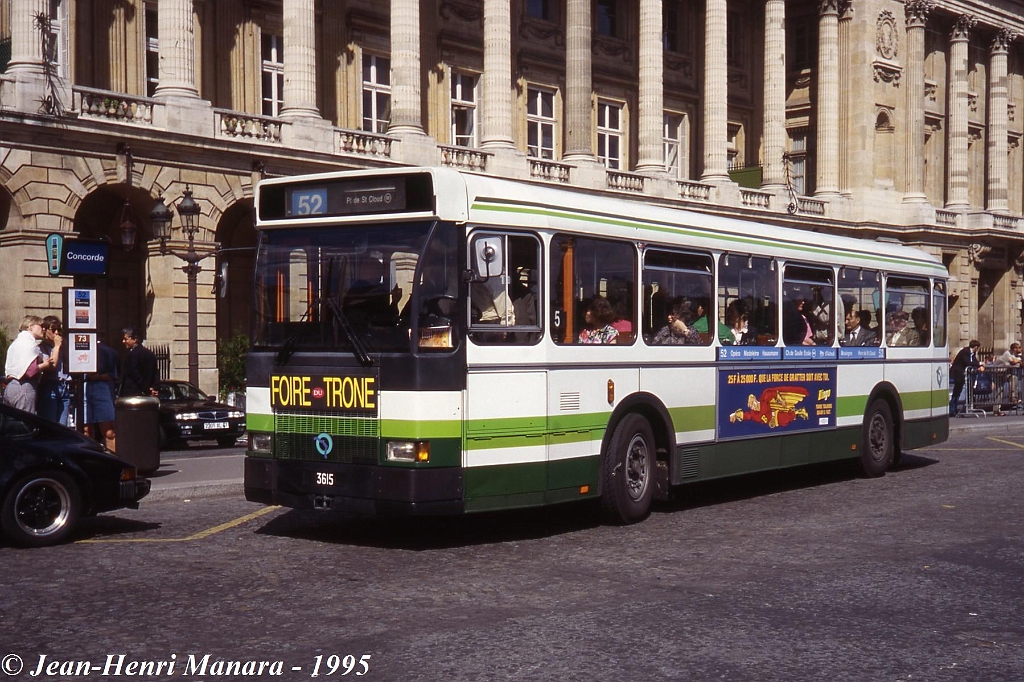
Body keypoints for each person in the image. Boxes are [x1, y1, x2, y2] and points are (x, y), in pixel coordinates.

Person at [3, 315, 54, 413]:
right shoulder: (30, 344)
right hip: (24, 387)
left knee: (12, 421)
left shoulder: (16, 343)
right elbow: (30, 371)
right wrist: (45, 364)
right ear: (30, 327)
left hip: (10, 387)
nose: (43, 329)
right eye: (41, 326)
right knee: (24, 420)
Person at [84, 337, 118, 452]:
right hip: (83, 385)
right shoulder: (73, 348)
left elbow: (112, 375)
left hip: (100, 387)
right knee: (85, 431)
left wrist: (97, 376)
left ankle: (112, 460)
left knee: (109, 431)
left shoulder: (107, 351)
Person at [37, 315, 71, 425]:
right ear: (45, 330)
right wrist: (56, 347)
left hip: (64, 385)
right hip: (50, 385)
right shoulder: (41, 348)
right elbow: (52, 367)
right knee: (50, 424)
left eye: (58, 330)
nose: (56, 333)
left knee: (63, 425)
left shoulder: (63, 346)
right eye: (53, 330)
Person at [121, 327, 160, 397]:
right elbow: (156, 373)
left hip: (133, 394)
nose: (123, 341)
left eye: (126, 339)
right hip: (149, 394)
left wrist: (145, 388)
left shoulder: (132, 355)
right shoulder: (150, 354)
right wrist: (154, 388)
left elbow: (135, 374)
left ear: (134, 340)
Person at [950, 340, 983, 416]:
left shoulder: (972, 353)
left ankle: (956, 409)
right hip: (958, 373)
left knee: (959, 392)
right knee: (956, 392)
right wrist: (979, 364)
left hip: (963, 374)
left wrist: (979, 365)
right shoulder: (965, 352)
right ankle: (952, 410)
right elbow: (967, 362)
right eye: (977, 348)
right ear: (976, 347)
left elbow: (974, 361)